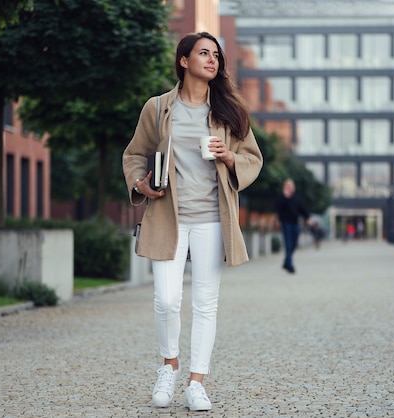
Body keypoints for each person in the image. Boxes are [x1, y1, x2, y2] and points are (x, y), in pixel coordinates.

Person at [122, 32, 262, 411]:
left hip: (212, 220)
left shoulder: (230, 111)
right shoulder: (158, 108)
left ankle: (196, 381)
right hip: (168, 216)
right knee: (166, 300)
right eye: (204, 53)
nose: (212, 60)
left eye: (216, 55)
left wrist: (229, 158)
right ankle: (169, 366)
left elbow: (253, 158)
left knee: (205, 302)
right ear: (184, 60)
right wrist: (140, 183)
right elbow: (135, 153)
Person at [275, 179, 311, 274]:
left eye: (291, 187)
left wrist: (307, 218)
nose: (290, 189)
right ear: (285, 188)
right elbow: (278, 208)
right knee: (288, 244)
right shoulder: (281, 198)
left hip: (295, 224)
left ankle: (286, 262)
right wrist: (285, 197)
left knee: (294, 244)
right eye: (288, 187)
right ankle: (290, 266)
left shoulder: (297, 199)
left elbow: (303, 209)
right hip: (286, 223)